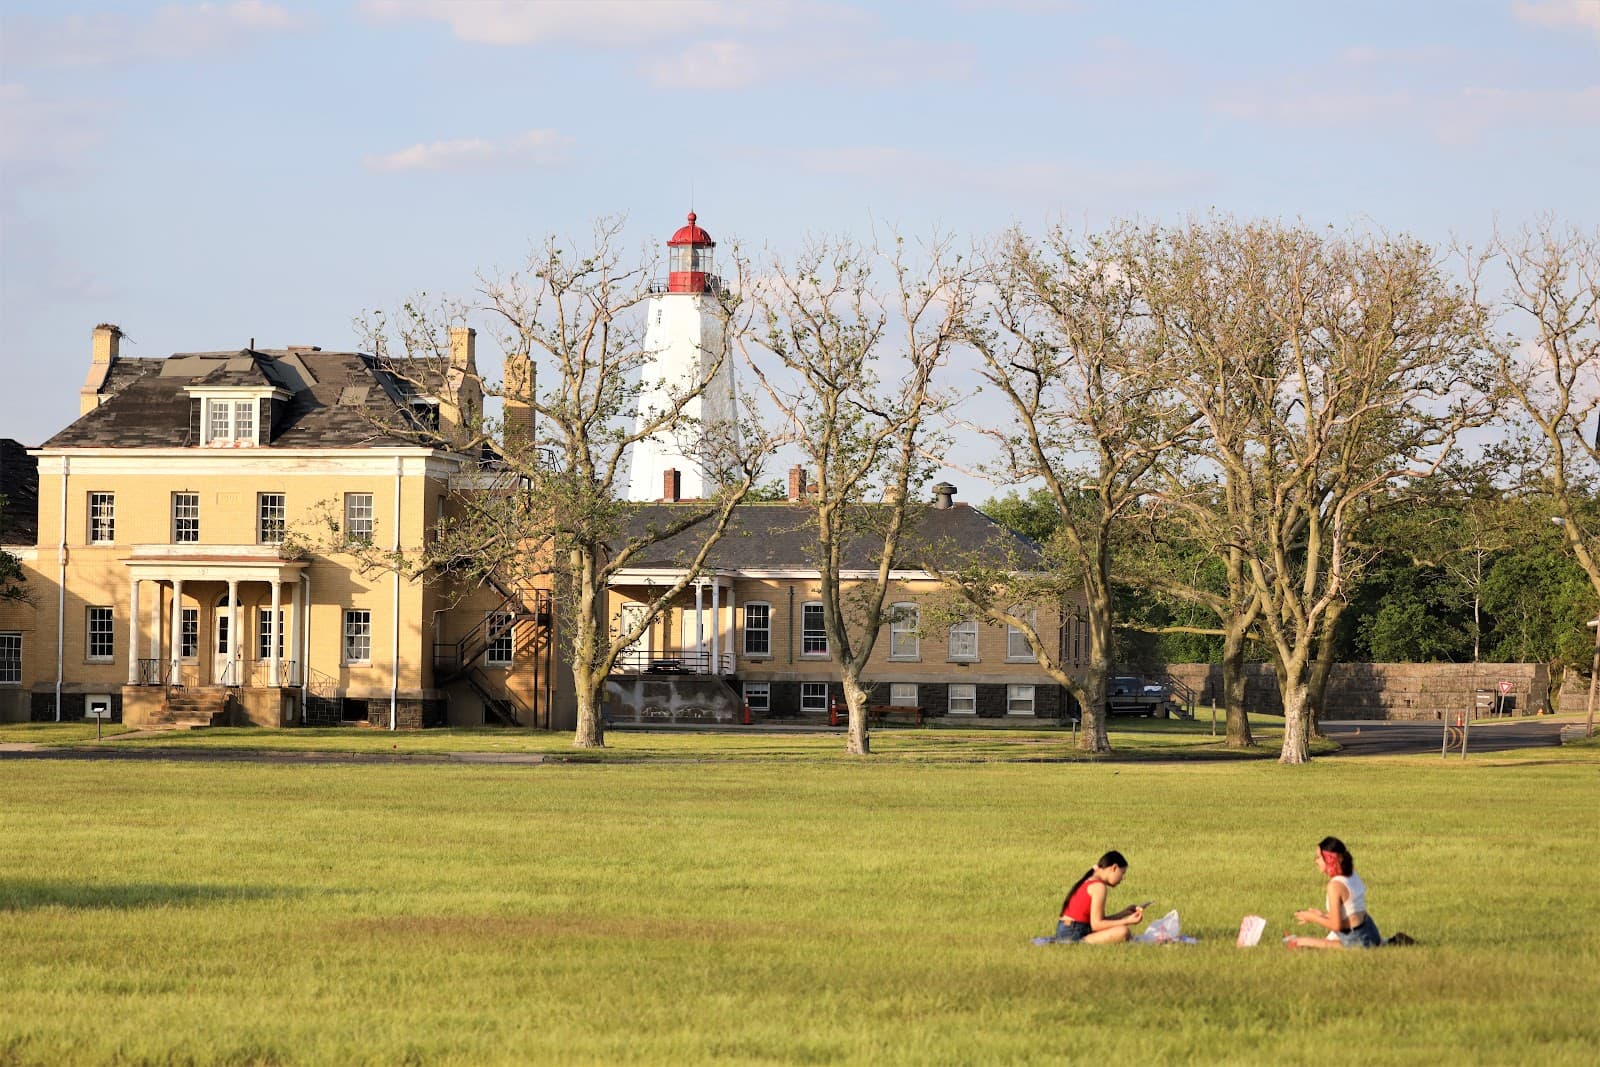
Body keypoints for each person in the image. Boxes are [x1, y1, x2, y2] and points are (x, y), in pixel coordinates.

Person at [1285, 836, 1383, 949]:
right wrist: (1322, 915)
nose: (1315, 861)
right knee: (1316, 941)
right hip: (1370, 931)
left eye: (1318, 857)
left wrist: (1313, 918)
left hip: (1357, 939)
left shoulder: (1334, 886)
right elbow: (1350, 914)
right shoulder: (1351, 874)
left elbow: (1336, 925)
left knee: (1298, 942)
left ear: (1330, 859)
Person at [1056, 850, 1146, 944]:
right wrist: (1127, 921)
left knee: (1122, 931)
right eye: (1122, 873)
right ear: (1114, 868)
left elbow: (1100, 921)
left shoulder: (1089, 880)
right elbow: (1097, 925)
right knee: (1123, 931)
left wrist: (1124, 913)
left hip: (1067, 930)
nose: (1122, 878)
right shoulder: (1099, 887)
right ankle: (1081, 943)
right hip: (1073, 934)